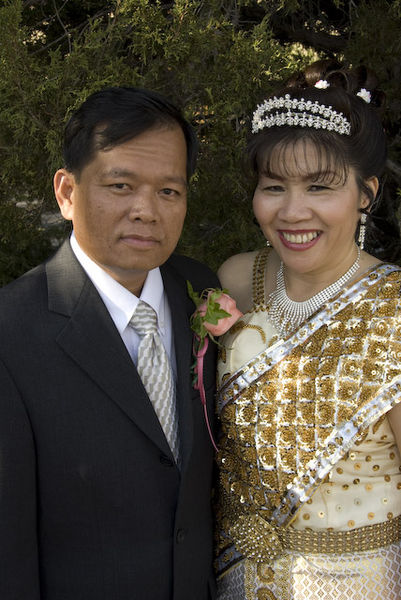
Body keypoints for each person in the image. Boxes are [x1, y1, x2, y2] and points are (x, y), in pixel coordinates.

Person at [0, 87, 219, 599]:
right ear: (66, 193)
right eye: (121, 185)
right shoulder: (11, 334)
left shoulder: (200, 290)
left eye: (169, 191)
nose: (147, 210)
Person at [214, 60, 401, 599]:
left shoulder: (393, 308)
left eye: (320, 187)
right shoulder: (237, 279)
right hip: (232, 577)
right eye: (274, 186)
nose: (293, 211)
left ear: (365, 193)